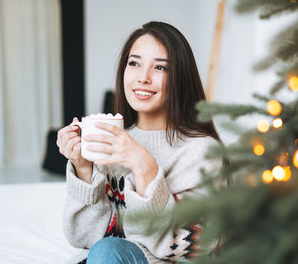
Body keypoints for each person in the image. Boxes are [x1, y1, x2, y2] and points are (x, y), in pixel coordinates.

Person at [57, 21, 221, 264]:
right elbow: (87, 239)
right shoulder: (116, 142)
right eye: (134, 63)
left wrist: (145, 168)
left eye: (160, 68)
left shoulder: (202, 150)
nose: (143, 78)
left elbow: (196, 248)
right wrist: (83, 168)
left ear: (179, 78)